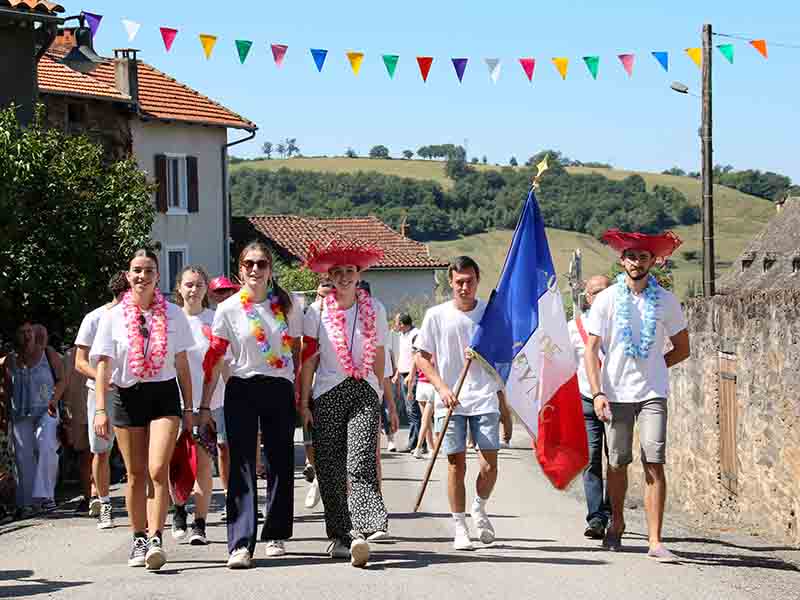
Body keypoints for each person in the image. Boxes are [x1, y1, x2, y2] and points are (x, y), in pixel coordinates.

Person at [584, 230, 690, 563]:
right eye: (631, 256)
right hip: (615, 393)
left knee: (654, 461)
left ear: (653, 261)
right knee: (617, 462)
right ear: (622, 260)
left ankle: (655, 540)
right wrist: (598, 392)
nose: (637, 262)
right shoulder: (607, 299)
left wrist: (656, 366)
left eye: (643, 257)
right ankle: (616, 522)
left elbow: (683, 348)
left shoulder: (667, 301)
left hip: (652, 393)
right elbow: (591, 350)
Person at [90, 249, 195, 571]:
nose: (142, 276)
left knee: (157, 468)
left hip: (164, 395)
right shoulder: (112, 317)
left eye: (149, 270)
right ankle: (138, 537)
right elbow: (104, 365)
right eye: (137, 270)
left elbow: (181, 363)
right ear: (128, 275)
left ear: (157, 276)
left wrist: (190, 407)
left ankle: (156, 538)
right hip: (126, 395)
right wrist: (100, 409)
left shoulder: (174, 314)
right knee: (135, 473)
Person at [201, 242, 301, 569]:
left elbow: (297, 351)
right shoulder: (228, 309)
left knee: (280, 461)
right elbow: (215, 359)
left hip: (279, 386)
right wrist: (203, 406)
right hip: (242, 387)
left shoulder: (288, 305)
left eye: (261, 264)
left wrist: (300, 392)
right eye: (249, 264)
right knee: (241, 465)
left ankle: (276, 533)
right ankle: (241, 544)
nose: (255, 269)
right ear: (240, 270)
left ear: (270, 270)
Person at [299, 240, 390, 568]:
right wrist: (304, 401)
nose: (344, 277)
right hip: (327, 392)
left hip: (364, 389)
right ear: (329, 276)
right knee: (329, 466)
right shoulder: (316, 312)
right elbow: (308, 359)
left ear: (358, 274)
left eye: (350, 271)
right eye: (337, 272)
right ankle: (341, 535)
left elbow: (379, 352)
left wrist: (380, 393)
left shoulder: (375, 309)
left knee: (360, 458)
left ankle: (363, 528)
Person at [415, 256, 502, 551]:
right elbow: (421, 357)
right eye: (459, 282)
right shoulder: (436, 315)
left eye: (470, 281)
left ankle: (479, 506)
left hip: (484, 397)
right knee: (456, 464)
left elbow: (505, 353)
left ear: (478, 281)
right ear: (450, 282)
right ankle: (460, 526)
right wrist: (441, 388)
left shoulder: (490, 314)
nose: (465, 287)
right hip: (450, 401)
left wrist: (485, 355)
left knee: (489, 465)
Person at [170, 265, 228, 546]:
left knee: (204, 464)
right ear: (179, 288)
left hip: (209, 404)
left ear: (206, 289)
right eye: (189, 285)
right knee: (175, 463)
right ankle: (179, 509)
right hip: (175, 403)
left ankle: (200, 524)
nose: (194, 290)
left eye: (199, 285)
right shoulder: (170, 319)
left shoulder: (215, 320)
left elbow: (222, 364)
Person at [74, 271, 129, 528]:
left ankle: (144, 505)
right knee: (101, 449)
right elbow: (79, 362)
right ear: (123, 293)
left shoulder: (139, 316)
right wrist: (102, 378)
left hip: (131, 391)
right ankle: (104, 503)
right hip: (101, 393)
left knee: (136, 451)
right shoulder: (94, 318)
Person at [567, 274, 612, 540]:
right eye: (596, 293)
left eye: (607, 291)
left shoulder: (620, 323)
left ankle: (612, 512)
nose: (601, 297)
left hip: (618, 399)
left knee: (616, 459)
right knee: (592, 458)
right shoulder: (573, 328)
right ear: (587, 297)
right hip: (586, 398)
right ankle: (596, 518)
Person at [5, 322, 64, 516]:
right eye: (22, 332)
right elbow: (7, 389)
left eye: (29, 331)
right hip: (20, 412)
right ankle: (28, 502)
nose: (27, 335)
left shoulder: (48, 353)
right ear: (15, 336)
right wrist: (5, 414)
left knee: (46, 445)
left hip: (46, 410)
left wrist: (54, 400)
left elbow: (62, 379)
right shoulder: (10, 360)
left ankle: (46, 497)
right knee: (23, 457)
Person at [301, 279, 334, 511]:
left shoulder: (342, 317)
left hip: (330, 387)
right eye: (320, 295)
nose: (324, 301)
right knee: (309, 438)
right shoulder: (310, 316)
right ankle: (318, 476)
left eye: (328, 296)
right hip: (308, 386)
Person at [207, 275, 240, 505]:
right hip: (207, 393)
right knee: (217, 446)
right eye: (219, 292)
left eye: (227, 291)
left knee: (228, 446)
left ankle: (234, 494)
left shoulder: (238, 315)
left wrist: (234, 390)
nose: (224, 295)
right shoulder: (208, 318)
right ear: (211, 295)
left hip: (231, 392)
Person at [60, 346, 92, 515]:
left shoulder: (103, 346)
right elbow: (64, 383)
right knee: (84, 455)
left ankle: (98, 497)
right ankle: (88, 497)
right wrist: (65, 409)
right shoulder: (70, 355)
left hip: (99, 409)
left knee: (99, 454)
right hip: (77, 411)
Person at [393, 313, 421, 453]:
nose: (395, 325)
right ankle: (418, 443)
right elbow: (403, 356)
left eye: (396, 322)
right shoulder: (402, 335)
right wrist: (397, 373)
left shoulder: (416, 334)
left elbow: (416, 357)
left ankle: (415, 444)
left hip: (412, 375)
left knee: (413, 410)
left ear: (402, 324)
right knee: (410, 410)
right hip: (404, 374)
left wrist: (411, 374)